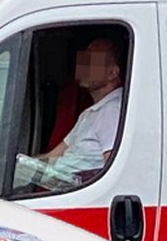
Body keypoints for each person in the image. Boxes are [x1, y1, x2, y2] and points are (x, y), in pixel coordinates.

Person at [38, 37, 123, 178]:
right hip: (57, 182)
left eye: (94, 61)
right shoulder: (90, 113)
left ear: (112, 73)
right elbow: (53, 156)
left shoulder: (112, 111)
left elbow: (114, 171)